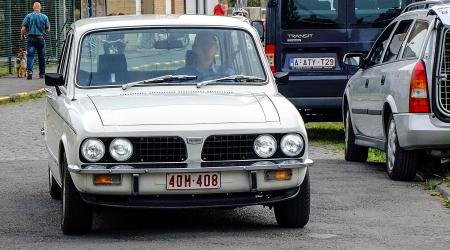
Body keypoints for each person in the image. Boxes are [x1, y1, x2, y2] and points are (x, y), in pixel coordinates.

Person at [21, 1, 50, 80]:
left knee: (30, 56)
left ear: (33, 8)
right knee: (41, 57)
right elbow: (48, 30)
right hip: (41, 38)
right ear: (40, 8)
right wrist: (44, 32)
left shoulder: (28, 16)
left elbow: (23, 28)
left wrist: (22, 35)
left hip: (31, 39)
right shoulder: (44, 17)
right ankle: (42, 74)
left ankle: (30, 72)